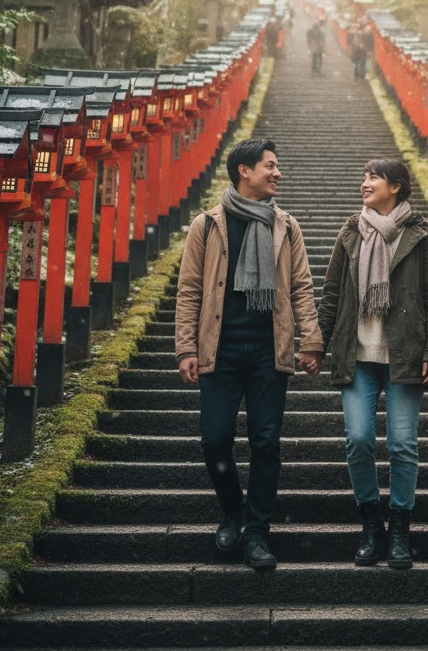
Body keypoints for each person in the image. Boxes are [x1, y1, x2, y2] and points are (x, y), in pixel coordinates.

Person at [176, 138, 324, 571]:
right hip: (217, 351)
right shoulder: (206, 225)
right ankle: (232, 510)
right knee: (214, 439)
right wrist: (186, 346)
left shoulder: (286, 226)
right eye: (270, 166)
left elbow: (300, 287)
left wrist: (311, 341)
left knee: (265, 442)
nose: (278, 173)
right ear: (244, 170)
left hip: (267, 351)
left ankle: (257, 531)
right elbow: (189, 291)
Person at [317, 158, 428, 570]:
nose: (365, 183)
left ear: (396, 186)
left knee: (402, 446)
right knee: (358, 440)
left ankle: (400, 531)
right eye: (364, 177)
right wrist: (316, 345)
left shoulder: (421, 236)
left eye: (373, 177)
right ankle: (371, 525)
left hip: (404, 355)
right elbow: (331, 294)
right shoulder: (351, 231)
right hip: (357, 355)